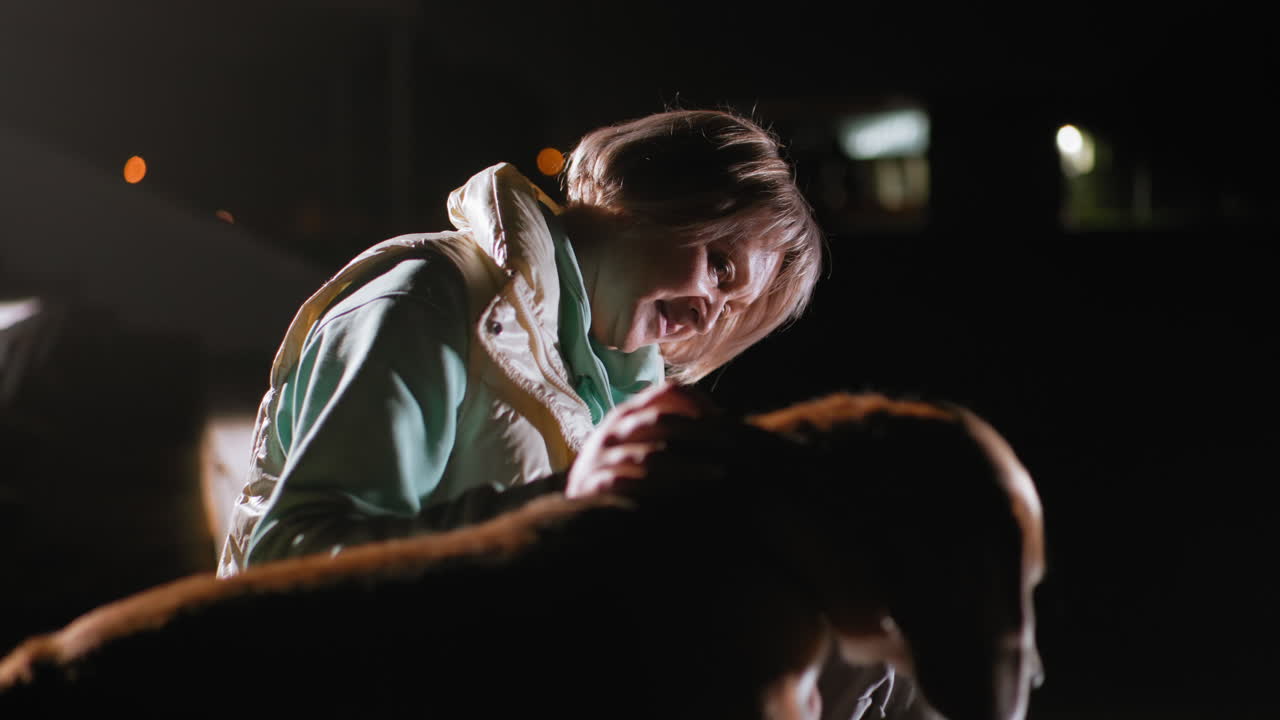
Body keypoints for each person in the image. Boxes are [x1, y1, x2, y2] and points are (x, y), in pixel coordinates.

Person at [216, 108, 824, 577]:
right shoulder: (427, 304)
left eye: (734, 312)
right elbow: (292, 560)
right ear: (646, 191)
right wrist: (565, 506)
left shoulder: (615, 391)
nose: (708, 313)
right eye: (720, 267)